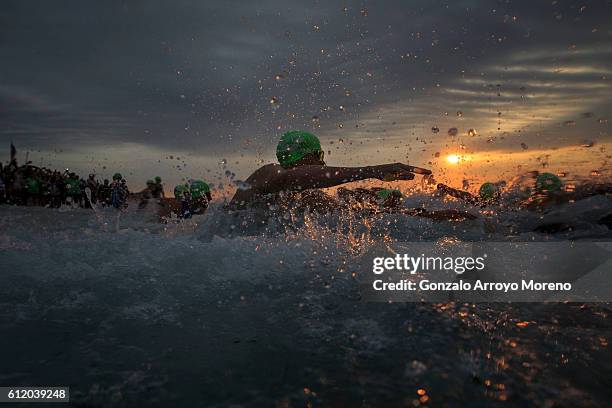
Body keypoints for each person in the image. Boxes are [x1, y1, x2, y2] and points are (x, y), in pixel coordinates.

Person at [229, 130, 431, 210]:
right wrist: (371, 170)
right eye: (320, 157)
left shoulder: (302, 197)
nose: (323, 164)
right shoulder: (269, 172)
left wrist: (413, 212)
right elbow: (293, 177)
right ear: (309, 156)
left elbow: (344, 212)